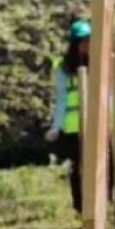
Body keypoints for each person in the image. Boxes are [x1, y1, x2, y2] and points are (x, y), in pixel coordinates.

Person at [46, 20, 91, 214]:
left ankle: (103, 202)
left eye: (88, 40)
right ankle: (80, 206)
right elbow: (61, 98)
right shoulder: (62, 67)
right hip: (73, 125)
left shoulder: (98, 61)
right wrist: (56, 127)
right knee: (78, 167)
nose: (86, 45)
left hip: (96, 123)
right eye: (82, 41)